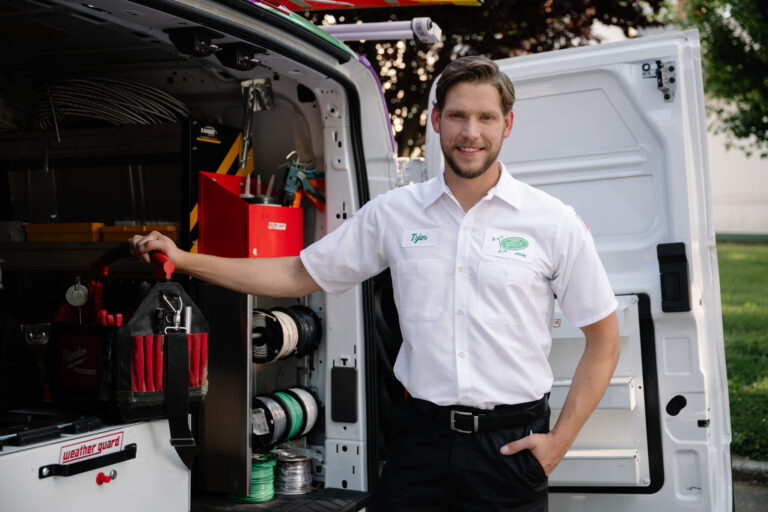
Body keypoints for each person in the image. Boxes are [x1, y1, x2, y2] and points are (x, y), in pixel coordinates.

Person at [129, 56, 620, 511]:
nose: (471, 133)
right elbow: (297, 272)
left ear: (507, 124)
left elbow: (604, 340)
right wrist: (185, 259)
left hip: (510, 449)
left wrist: (559, 443)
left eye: (486, 118)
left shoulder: (551, 221)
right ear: (435, 120)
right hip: (419, 445)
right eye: (457, 116)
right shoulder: (395, 213)